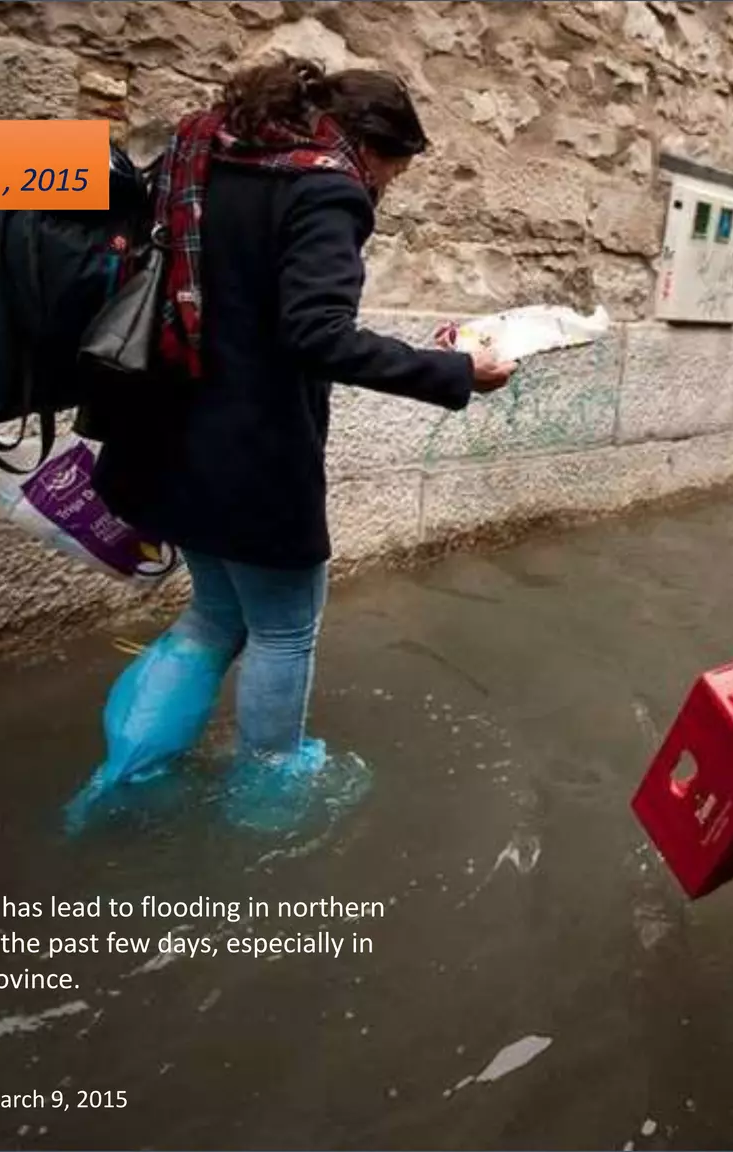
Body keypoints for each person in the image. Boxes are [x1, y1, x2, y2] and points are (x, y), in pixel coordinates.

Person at [70, 56, 514, 832]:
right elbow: (316, 333)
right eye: (393, 172)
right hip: (250, 454)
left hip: (166, 429)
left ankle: (121, 777)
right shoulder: (327, 189)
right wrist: (458, 371)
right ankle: (267, 800)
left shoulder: (202, 151)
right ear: (370, 147)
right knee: (281, 627)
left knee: (212, 616)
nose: (384, 187)